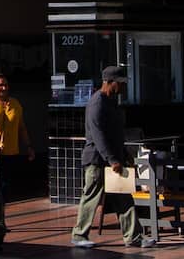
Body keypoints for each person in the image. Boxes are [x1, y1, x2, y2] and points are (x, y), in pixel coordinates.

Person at [72, 66, 152, 249]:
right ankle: (79, 235)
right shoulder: (97, 103)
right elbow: (98, 135)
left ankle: (134, 236)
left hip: (114, 160)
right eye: (120, 83)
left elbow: (116, 133)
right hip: (97, 161)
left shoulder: (112, 102)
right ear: (109, 82)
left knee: (123, 197)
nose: (122, 87)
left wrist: (124, 155)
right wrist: (112, 159)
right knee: (91, 197)